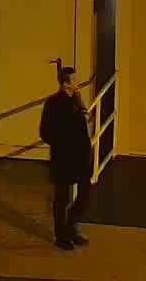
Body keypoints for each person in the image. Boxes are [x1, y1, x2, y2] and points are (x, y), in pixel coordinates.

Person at [40, 66, 93, 250]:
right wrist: (63, 143)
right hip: (63, 158)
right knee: (61, 197)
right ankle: (61, 235)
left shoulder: (77, 100)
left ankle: (72, 225)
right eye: (75, 80)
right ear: (65, 83)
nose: (78, 82)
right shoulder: (53, 103)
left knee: (85, 191)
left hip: (81, 157)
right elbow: (45, 132)